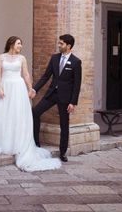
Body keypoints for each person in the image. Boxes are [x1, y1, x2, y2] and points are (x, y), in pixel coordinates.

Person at [0, 36, 61, 172]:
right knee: (3, 115)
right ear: (11, 44)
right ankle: (2, 143)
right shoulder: (1, 57)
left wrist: (30, 88)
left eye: (21, 44)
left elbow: (26, 74)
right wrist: (0, 87)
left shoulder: (22, 58)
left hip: (18, 88)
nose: (20, 46)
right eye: (18, 43)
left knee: (17, 115)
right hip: (5, 86)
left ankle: (17, 143)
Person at [31, 34, 82, 163]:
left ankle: (63, 152)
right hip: (52, 94)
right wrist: (35, 89)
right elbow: (45, 76)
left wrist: (73, 102)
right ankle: (36, 144)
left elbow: (77, 84)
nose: (59, 46)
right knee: (35, 113)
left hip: (66, 98)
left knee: (64, 125)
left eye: (61, 44)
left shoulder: (76, 62)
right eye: (59, 43)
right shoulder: (54, 58)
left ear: (68, 46)